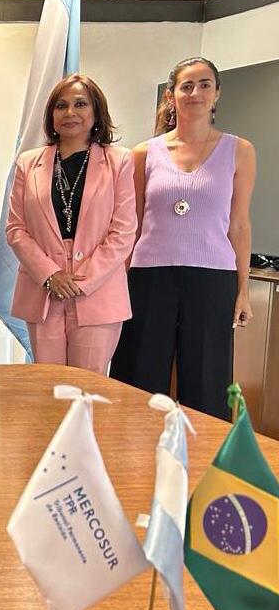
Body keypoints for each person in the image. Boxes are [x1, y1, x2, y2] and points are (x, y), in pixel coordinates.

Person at [110, 57, 257, 419]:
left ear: (217, 93)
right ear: (171, 96)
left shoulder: (239, 151)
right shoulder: (144, 153)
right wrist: (119, 284)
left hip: (212, 279)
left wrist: (242, 290)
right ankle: (134, 448)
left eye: (204, 84)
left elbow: (239, 225)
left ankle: (205, 452)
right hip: (149, 277)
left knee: (208, 381)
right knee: (138, 375)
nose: (195, 92)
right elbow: (133, 225)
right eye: (186, 86)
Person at [5, 74, 136, 374]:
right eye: (61, 106)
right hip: (44, 288)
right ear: (51, 115)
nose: (70, 112)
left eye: (80, 104)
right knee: (48, 385)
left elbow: (124, 231)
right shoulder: (28, 162)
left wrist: (82, 281)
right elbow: (16, 229)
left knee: (86, 388)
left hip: (97, 290)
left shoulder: (120, 161)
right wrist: (50, 275)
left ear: (96, 112)